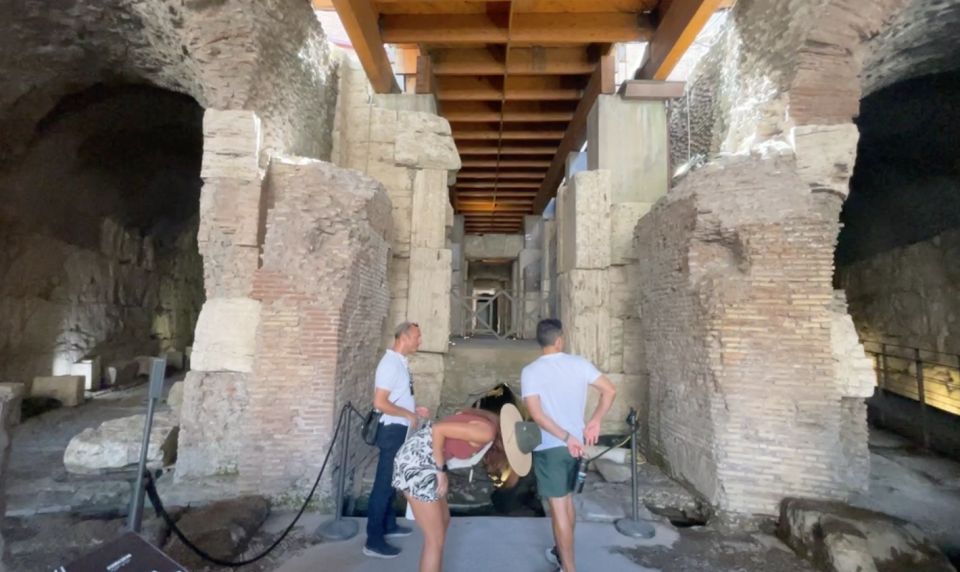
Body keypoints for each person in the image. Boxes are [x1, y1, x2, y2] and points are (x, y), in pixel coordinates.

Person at [521, 318, 617, 572]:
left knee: (559, 507)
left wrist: (564, 437)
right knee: (567, 501)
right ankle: (559, 552)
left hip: (551, 446)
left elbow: (537, 415)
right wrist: (595, 421)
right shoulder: (579, 364)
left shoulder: (530, 371)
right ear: (560, 339)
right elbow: (610, 391)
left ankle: (569, 568)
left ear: (540, 342)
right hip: (576, 448)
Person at [392, 404, 534, 572]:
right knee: (434, 539)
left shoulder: (490, 425)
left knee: (444, 521)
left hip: (427, 459)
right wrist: (440, 471)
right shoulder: (486, 432)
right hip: (417, 462)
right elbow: (438, 429)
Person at [364, 321, 430, 559]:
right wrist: (407, 414)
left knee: (392, 481)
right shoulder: (390, 364)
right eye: (417, 337)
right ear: (404, 337)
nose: (419, 341)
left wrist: (415, 409)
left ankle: (389, 525)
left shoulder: (400, 362)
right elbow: (379, 403)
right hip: (391, 431)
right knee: (383, 485)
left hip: (399, 429)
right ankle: (373, 540)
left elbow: (398, 397)